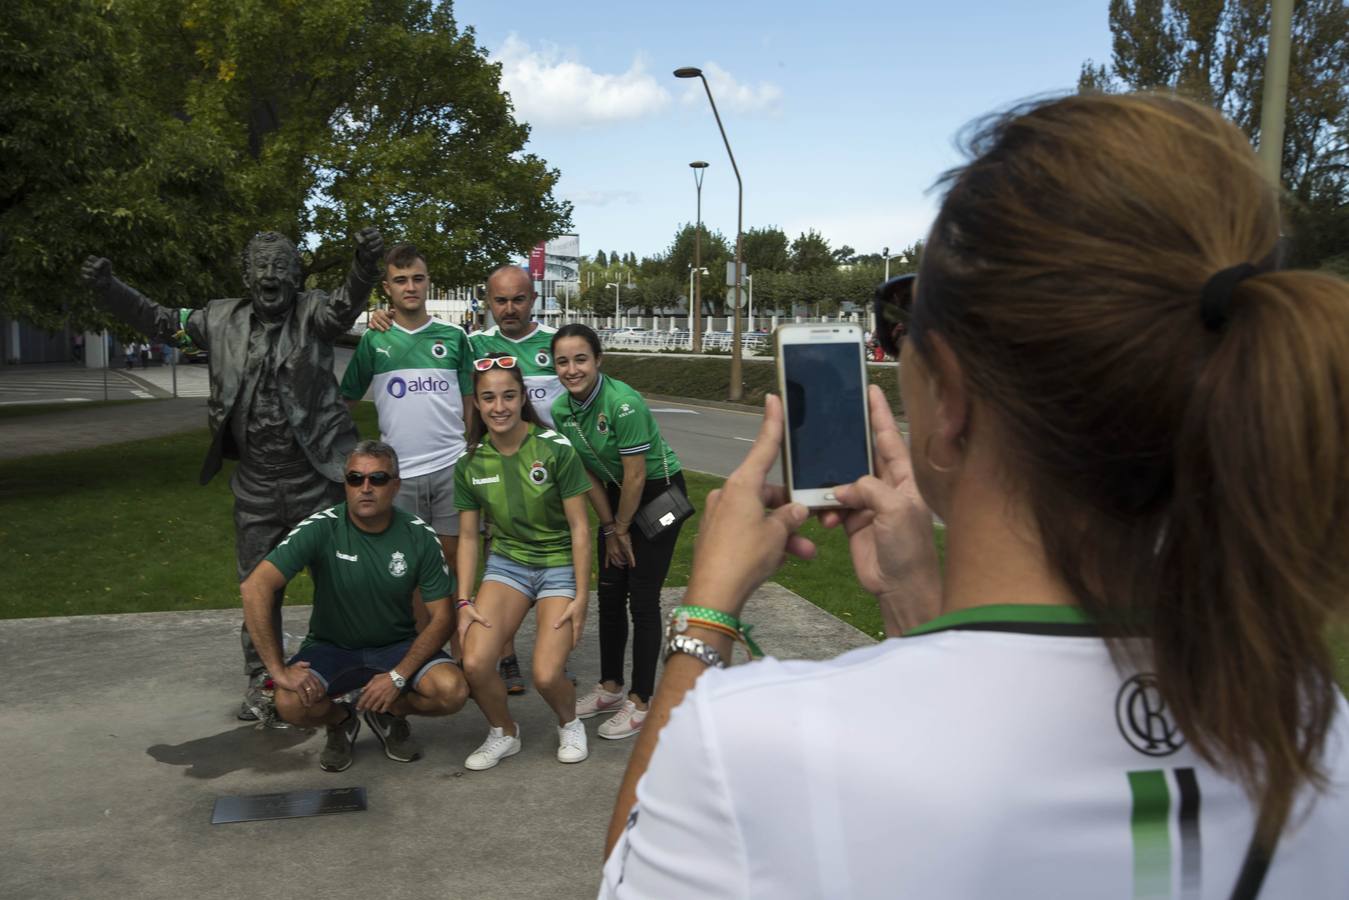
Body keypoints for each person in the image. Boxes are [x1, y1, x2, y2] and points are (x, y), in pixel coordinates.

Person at [599, 93, 1349, 897]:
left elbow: (625, 877)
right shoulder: (1316, 730)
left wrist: (707, 614)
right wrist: (920, 600)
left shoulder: (759, 747)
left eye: (905, 322)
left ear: (949, 396)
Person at [82, 228, 384, 723]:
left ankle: (346, 672)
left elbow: (344, 306)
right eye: (261, 267)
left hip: (315, 478)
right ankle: (263, 678)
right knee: (258, 586)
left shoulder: (313, 312)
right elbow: (160, 322)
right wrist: (111, 289)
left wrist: (364, 266)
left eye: (281, 266)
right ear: (247, 276)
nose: (270, 276)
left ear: (296, 274)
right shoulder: (219, 318)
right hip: (258, 483)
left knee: (342, 582)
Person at [369, 264, 568, 694]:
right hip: (492, 471)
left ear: (533, 299)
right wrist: (381, 317)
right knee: (501, 565)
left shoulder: (555, 344)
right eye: (500, 300)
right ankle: (506, 655)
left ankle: (553, 656)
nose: (509, 308)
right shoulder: (470, 343)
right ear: (488, 302)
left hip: (550, 475)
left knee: (555, 563)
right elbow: (427, 350)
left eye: (518, 299)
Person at [240, 440, 469, 771]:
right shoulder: (321, 527)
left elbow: (442, 618)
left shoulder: (419, 535)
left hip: (397, 646)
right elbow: (255, 587)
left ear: (395, 485)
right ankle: (341, 720)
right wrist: (277, 670)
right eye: (354, 478)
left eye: (377, 479)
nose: (365, 488)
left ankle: (389, 712)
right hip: (332, 647)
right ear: (345, 483)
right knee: (289, 703)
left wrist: (398, 676)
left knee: (452, 691)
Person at [453, 354, 599, 769]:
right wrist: (464, 602)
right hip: (508, 565)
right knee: (477, 661)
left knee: (547, 674)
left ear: (522, 399)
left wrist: (582, 596)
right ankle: (504, 732)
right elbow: (467, 536)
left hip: (557, 565)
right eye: (488, 398)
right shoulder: (469, 463)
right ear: (477, 405)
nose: (499, 407)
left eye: (508, 396)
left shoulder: (555, 449)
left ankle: (569, 722)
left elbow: (579, 528)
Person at [551, 324, 688, 740]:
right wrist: (609, 527)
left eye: (580, 359)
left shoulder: (623, 404)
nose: (572, 369)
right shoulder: (561, 411)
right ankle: (610, 688)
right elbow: (589, 472)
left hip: (658, 493)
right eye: (562, 361)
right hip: (616, 500)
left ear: (598, 360)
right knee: (609, 593)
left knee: (642, 599)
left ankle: (641, 700)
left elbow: (636, 473)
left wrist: (623, 529)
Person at [339, 243, 475, 606]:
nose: (410, 287)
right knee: (411, 568)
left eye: (417, 278)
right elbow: (345, 400)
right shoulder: (374, 338)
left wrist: (472, 450)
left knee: (455, 561)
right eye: (401, 280)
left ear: (428, 282)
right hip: (400, 473)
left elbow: (469, 401)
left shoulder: (454, 337)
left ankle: (461, 652)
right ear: (387, 288)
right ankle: (423, 654)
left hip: (451, 466)